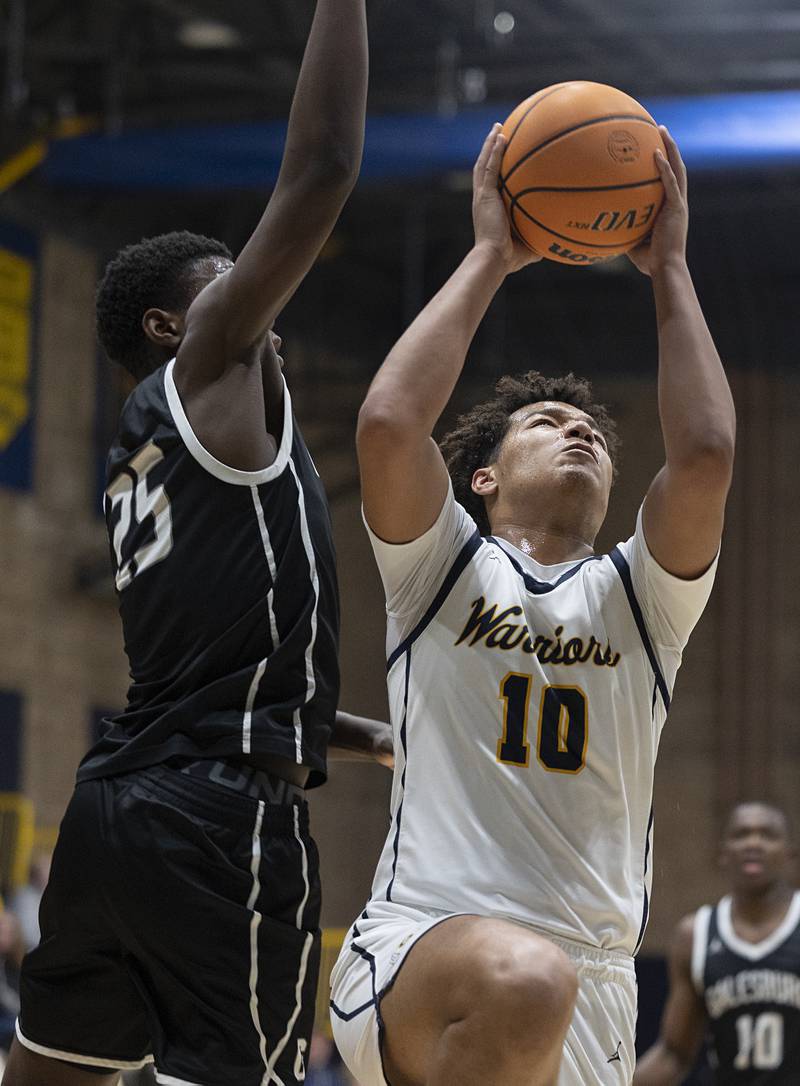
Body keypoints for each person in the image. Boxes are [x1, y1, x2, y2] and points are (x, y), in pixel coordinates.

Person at [3, 2, 374, 1084]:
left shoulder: (144, 452)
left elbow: (214, 677)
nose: (262, 298)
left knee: (49, 1075)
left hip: (117, 808)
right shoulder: (207, 370)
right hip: (219, 825)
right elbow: (324, 166)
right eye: (231, 285)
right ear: (173, 326)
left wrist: (380, 739)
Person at [329, 122, 735, 1086]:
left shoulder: (642, 602)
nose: (580, 432)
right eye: (548, 424)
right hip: (422, 946)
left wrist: (669, 268)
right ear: (480, 479)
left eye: (592, 428)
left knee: (543, 981)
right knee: (525, 977)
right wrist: (489, 256)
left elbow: (707, 457)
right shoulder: (441, 568)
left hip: (597, 990)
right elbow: (388, 423)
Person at [635, 802, 800, 1084]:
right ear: (723, 853)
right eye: (741, 834)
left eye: (767, 835)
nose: (753, 843)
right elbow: (674, 1053)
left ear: (790, 853)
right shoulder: (695, 934)